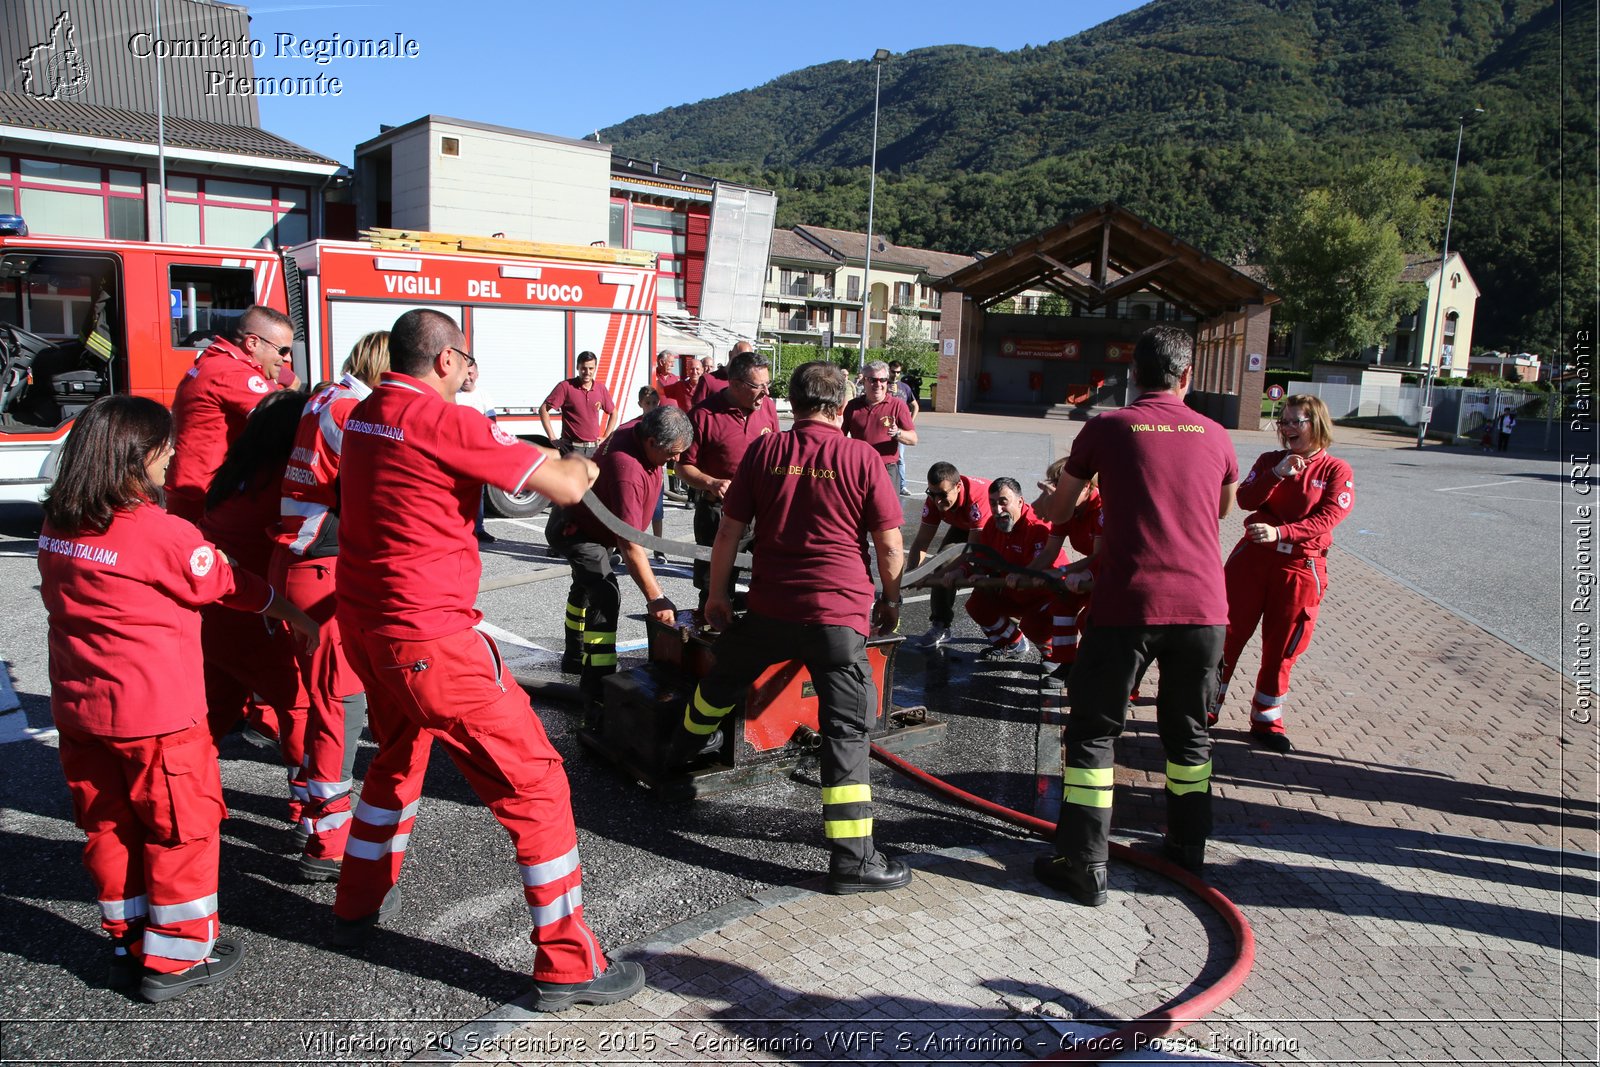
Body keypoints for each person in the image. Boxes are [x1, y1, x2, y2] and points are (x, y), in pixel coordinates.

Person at [332, 309, 644, 1011]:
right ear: (444, 360)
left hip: (371, 632)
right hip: (434, 641)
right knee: (536, 785)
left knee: (394, 763)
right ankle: (568, 963)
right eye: (466, 360)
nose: (471, 372)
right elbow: (564, 485)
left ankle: (353, 905)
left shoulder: (365, 412)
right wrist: (596, 456)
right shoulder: (447, 420)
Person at [38, 395, 316, 1003]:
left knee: (109, 829)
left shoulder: (60, 524)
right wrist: (289, 608)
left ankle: (128, 942)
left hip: (81, 713)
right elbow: (227, 584)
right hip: (156, 716)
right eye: (167, 447)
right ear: (140, 455)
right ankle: (180, 958)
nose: (174, 457)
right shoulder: (161, 532)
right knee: (180, 831)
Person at [667, 361, 911, 894]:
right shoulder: (860, 457)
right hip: (837, 618)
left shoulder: (765, 451)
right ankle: (853, 862)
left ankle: (674, 755)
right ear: (842, 406)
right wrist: (891, 602)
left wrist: (716, 598)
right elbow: (890, 546)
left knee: (722, 680)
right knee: (845, 733)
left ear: (791, 405)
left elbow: (729, 531)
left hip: (771, 610)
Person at [1034, 326, 1238, 906]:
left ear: (1134, 374)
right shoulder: (1217, 435)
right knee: (1189, 735)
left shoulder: (1107, 427)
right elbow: (1220, 508)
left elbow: (1063, 507)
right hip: (1204, 609)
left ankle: (1084, 863)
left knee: (1095, 732)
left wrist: (1047, 503)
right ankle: (1187, 850)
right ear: (1188, 376)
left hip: (1129, 604)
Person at [268, 332, 389, 880]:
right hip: (320, 566)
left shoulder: (324, 395)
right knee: (341, 705)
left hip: (293, 560)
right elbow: (375, 489)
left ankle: (306, 809)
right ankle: (327, 840)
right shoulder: (351, 409)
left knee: (313, 699)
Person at [199, 390, 313, 843]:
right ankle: (313, 814)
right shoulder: (283, 486)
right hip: (260, 616)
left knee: (212, 715)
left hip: (214, 620)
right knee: (301, 709)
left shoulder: (231, 477)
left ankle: (189, 799)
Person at [1215, 395, 1354, 753]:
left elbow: (1327, 518)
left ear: (1317, 424)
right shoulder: (1269, 461)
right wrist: (1276, 475)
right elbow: (1244, 499)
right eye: (1284, 421)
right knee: (1226, 634)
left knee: (1282, 648)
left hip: (1300, 567)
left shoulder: (1335, 470)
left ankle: (1266, 720)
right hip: (1252, 562)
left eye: (1296, 421)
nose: (1288, 428)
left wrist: (1282, 533)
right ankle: (1205, 707)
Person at [546, 404, 693, 710]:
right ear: (651, 442)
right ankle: (597, 686)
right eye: (672, 452)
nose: (676, 459)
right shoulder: (626, 470)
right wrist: (656, 598)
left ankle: (573, 656)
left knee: (583, 586)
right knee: (605, 593)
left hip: (597, 525)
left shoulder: (646, 426)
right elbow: (630, 545)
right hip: (578, 530)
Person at [165, 305, 300, 522]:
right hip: (204, 493)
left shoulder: (216, 359)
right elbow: (285, 422)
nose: (287, 358)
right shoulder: (233, 373)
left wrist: (283, 375)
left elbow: (287, 377)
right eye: (282, 350)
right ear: (253, 343)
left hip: (190, 486)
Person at [922, 478, 1071, 673]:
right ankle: (1013, 643)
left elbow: (1044, 570)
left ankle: (1056, 656)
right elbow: (980, 558)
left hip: (1046, 595)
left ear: (1019, 501)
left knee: (1033, 624)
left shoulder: (1038, 526)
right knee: (978, 604)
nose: (997, 509)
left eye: (1003, 502)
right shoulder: (993, 525)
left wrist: (1014, 577)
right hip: (1013, 591)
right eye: (992, 503)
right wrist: (962, 571)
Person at [676, 350, 778, 615]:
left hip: (762, 514)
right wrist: (711, 482)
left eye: (768, 384)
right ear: (734, 384)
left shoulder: (767, 407)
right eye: (759, 386)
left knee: (773, 581)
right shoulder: (702, 415)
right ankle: (711, 647)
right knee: (714, 587)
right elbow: (682, 467)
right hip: (718, 514)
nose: (766, 393)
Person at [905, 461, 991, 650]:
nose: (937, 501)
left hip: (994, 531)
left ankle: (1013, 629)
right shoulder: (935, 498)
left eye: (942, 495)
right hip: (965, 526)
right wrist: (911, 574)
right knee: (943, 564)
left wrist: (950, 573)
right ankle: (940, 625)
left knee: (986, 575)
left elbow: (973, 550)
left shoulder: (977, 499)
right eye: (932, 494)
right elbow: (921, 542)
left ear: (958, 487)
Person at [844, 360, 918, 483]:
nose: (878, 384)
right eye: (873, 380)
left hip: (886, 469)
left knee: (887, 503)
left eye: (882, 380)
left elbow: (913, 439)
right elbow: (839, 435)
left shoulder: (898, 405)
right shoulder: (852, 406)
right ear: (864, 381)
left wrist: (897, 433)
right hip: (857, 468)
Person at [539, 350, 615, 457]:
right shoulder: (565, 387)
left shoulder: (601, 389)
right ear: (577, 367)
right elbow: (543, 409)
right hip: (571, 449)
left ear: (595, 368)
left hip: (594, 449)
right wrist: (552, 438)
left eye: (591, 368)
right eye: (583, 368)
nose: (587, 372)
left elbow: (614, 413)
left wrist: (606, 436)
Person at [455, 354, 496, 543]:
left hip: (476, 453)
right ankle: (457, 531)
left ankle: (478, 529)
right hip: (456, 453)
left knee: (477, 494)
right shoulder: (453, 395)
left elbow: (492, 425)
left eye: (471, 373)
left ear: (477, 374)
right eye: (465, 373)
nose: (468, 377)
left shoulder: (484, 396)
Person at [637, 386, 668, 555]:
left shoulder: (662, 425)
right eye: (647, 403)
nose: (651, 406)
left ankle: (658, 547)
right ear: (640, 404)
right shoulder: (636, 425)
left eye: (654, 403)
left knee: (657, 511)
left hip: (656, 473)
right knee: (636, 511)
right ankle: (633, 545)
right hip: (639, 475)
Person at [887, 361, 920, 495]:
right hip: (885, 426)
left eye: (898, 372)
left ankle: (902, 485)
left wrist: (909, 423)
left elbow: (915, 406)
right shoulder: (884, 385)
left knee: (900, 457)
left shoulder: (905, 387)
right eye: (893, 372)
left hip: (900, 429)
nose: (895, 375)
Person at [690, 341, 753, 408]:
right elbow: (696, 411)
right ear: (730, 355)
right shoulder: (708, 380)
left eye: (748, 359)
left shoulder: (749, 383)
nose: (744, 362)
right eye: (740, 357)